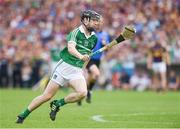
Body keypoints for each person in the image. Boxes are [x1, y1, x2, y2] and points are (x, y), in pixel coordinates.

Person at [16, 10, 102, 123]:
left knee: (82, 93)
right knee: (47, 96)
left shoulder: (94, 38)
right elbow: (71, 49)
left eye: (97, 21)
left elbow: (88, 56)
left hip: (76, 71)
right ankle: (22, 115)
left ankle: (57, 104)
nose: (97, 23)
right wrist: (81, 56)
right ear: (85, 20)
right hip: (64, 67)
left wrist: (83, 69)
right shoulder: (76, 32)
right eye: (94, 20)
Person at [77, 17, 110, 105]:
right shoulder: (90, 33)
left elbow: (106, 49)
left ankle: (81, 95)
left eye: (101, 22)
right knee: (97, 74)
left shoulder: (105, 34)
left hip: (98, 60)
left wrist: (105, 45)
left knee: (91, 78)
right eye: (98, 22)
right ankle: (89, 91)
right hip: (89, 58)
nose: (99, 24)